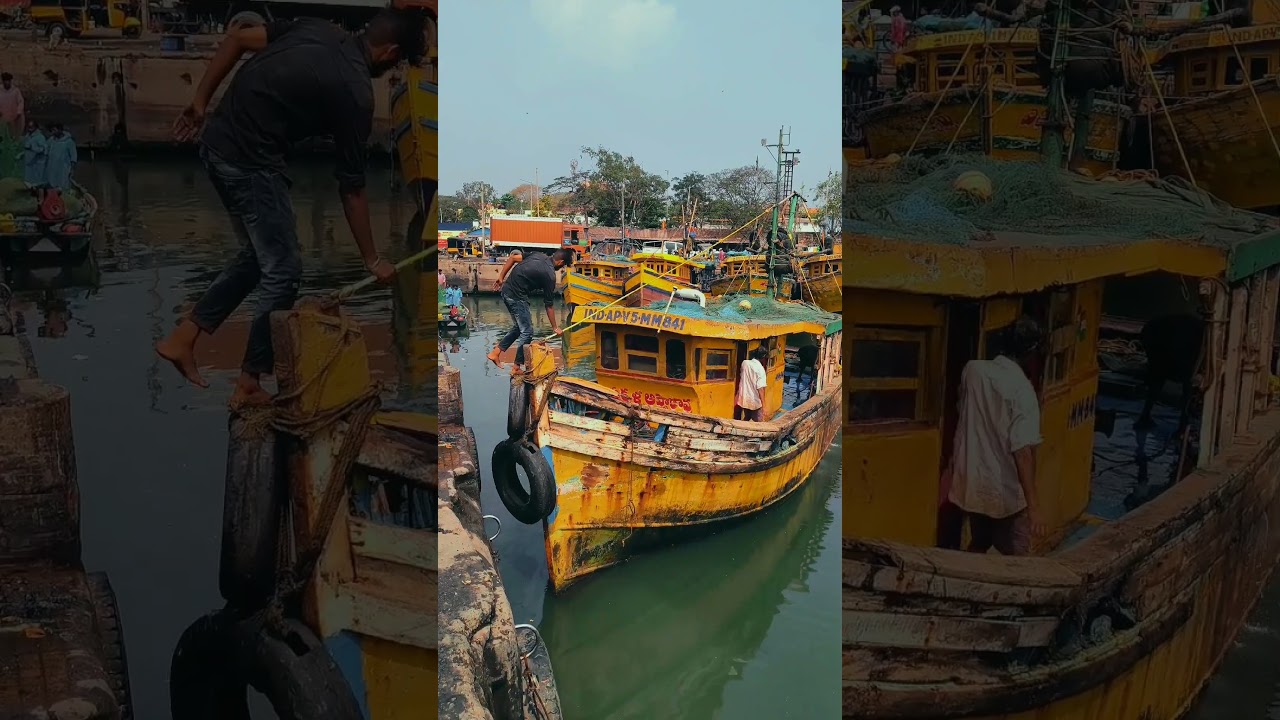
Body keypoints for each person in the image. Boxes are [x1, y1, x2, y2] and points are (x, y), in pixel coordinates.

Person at [154, 9, 426, 406]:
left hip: (217, 143)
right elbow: (351, 189)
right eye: (399, 62)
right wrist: (371, 259)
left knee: (260, 258)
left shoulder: (317, 26)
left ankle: (185, 337)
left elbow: (237, 39)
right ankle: (248, 383)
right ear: (391, 52)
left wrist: (199, 102)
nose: (394, 69)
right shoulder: (355, 92)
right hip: (249, 161)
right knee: (284, 271)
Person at [942, 316, 1045, 556]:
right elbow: (1023, 453)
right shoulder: (1023, 391)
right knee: (1017, 558)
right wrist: (1035, 507)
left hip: (973, 485)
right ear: (1031, 353)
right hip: (1005, 494)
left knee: (980, 541)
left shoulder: (973, 371)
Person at [486, 248, 573, 368]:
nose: (561, 268)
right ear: (561, 262)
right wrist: (555, 327)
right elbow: (549, 305)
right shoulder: (550, 276)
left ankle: (495, 353)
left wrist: (501, 277)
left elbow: (512, 258)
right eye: (563, 265)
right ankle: (517, 367)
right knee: (527, 332)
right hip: (516, 296)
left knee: (519, 328)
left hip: (506, 291)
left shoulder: (538, 254)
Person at [734, 345, 770, 421]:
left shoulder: (745, 363)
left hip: (744, 398)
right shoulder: (760, 370)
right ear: (763, 357)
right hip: (755, 401)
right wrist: (764, 406)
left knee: (747, 416)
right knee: (759, 422)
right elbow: (760, 388)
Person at [43, 123, 76, 188]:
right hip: (51, 168)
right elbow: (45, 151)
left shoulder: (69, 142)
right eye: (52, 130)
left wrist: (72, 169)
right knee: (50, 186)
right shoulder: (51, 140)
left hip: (63, 169)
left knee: (62, 186)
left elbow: (73, 157)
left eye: (54, 130)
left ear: (60, 130)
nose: (53, 132)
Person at [21, 120, 47, 186]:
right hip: (29, 163)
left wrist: (32, 148)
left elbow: (43, 149)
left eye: (31, 127)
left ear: (35, 127)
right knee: (28, 182)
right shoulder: (28, 136)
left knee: (36, 183)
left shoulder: (40, 137)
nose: (29, 128)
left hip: (37, 164)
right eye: (28, 127)